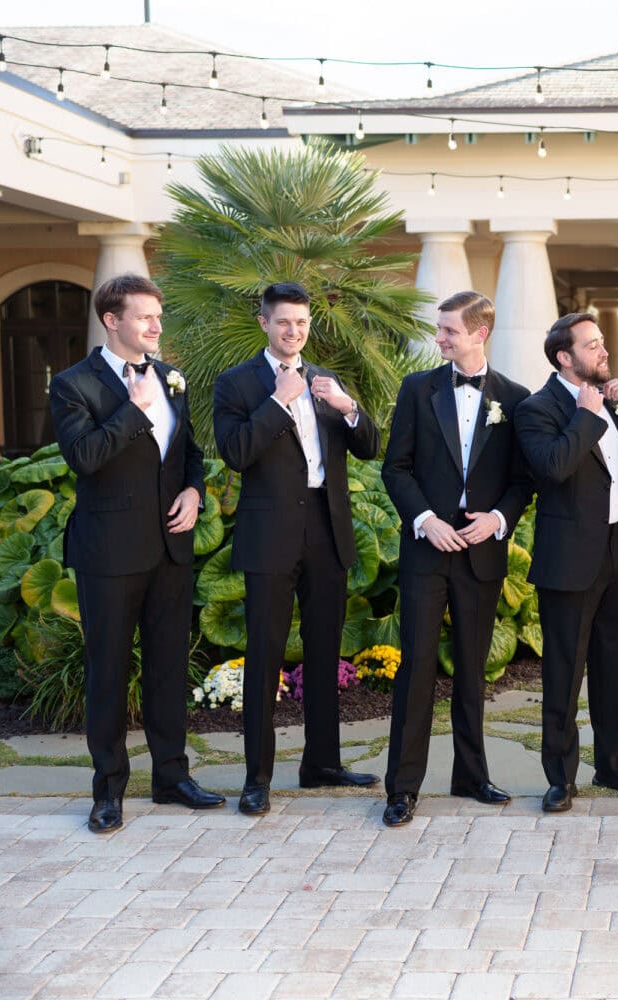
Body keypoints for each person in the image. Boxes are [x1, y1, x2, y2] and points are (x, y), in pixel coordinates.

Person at [49, 273, 225, 833]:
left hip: (170, 550)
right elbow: (83, 457)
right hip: (108, 553)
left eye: (158, 315)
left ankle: (172, 777)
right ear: (112, 320)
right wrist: (134, 410)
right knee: (108, 671)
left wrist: (195, 492)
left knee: (169, 669)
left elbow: (189, 452)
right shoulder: (73, 384)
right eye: (145, 316)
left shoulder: (172, 378)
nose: (156, 325)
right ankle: (108, 792)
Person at [212, 282, 381, 817]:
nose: (294, 331)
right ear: (264, 323)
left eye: (302, 323)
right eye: (284, 321)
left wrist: (348, 406)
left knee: (324, 652)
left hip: (327, 534)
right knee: (264, 655)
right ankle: (256, 778)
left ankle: (322, 763)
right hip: (270, 538)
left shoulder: (327, 381)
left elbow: (370, 445)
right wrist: (277, 403)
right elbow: (236, 453)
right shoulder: (236, 384)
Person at [379, 290, 533, 827]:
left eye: (448, 330)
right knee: (416, 667)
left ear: (479, 333)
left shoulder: (515, 399)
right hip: (427, 550)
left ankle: (471, 775)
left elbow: (522, 480)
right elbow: (395, 469)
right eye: (439, 329)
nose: (438, 338)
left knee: (474, 669)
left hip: (481, 554)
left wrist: (497, 520)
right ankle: (401, 788)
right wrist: (426, 522)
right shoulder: (417, 390)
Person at [514, 313, 618, 813]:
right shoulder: (536, 408)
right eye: (593, 345)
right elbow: (554, 468)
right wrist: (586, 415)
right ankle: (560, 777)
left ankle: (615, 764)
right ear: (566, 356)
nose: (604, 352)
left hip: (617, 549)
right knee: (564, 670)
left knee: (615, 665)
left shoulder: (613, 401)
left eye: (603, 343)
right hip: (567, 558)